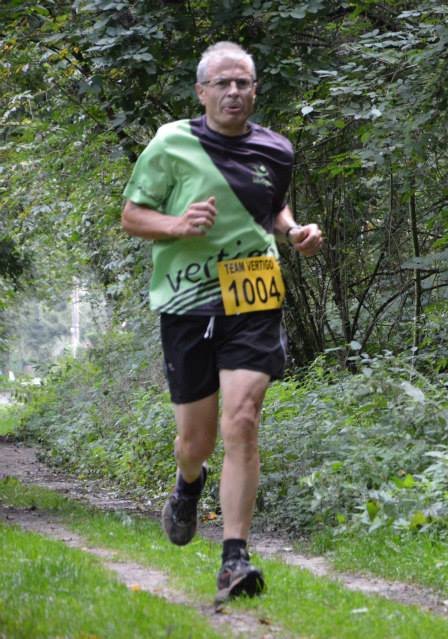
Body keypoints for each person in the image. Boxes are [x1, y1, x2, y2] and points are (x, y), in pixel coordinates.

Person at [120, 41, 322, 600]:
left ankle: (235, 559)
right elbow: (131, 216)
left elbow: (270, 206)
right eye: (223, 84)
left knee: (244, 419)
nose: (234, 92)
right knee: (197, 440)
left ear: (255, 90)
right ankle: (189, 484)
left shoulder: (277, 149)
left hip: (252, 291)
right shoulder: (171, 143)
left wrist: (294, 231)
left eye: (243, 83)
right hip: (187, 300)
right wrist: (178, 225)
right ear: (201, 92)